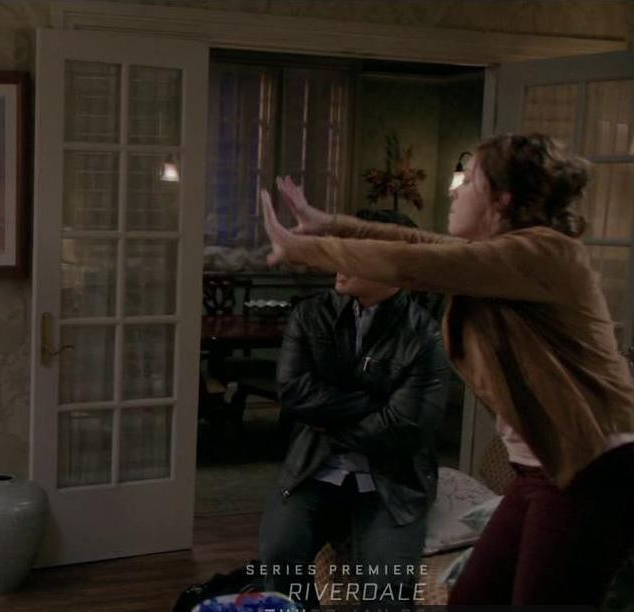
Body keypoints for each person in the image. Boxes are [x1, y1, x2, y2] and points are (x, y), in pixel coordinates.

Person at [259, 134, 634, 606]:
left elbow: (414, 263)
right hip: (542, 468)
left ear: (502, 198)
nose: (454, 191)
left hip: (591, 468)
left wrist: (305, 248)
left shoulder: (545, 254)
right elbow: (420, 243)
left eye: (470, 181)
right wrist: (328, 224)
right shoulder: (503, 256)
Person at [257, 208, 450, 607]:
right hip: (315, 467)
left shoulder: (424, 334)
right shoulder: (312, 314)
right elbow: (293, 393)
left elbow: (404, 427)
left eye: (354, 254)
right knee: (279, 554)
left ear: (395, 268)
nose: (339, 263)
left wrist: (328, 421)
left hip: (393, 482)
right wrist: (376, 404)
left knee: (386, 590)